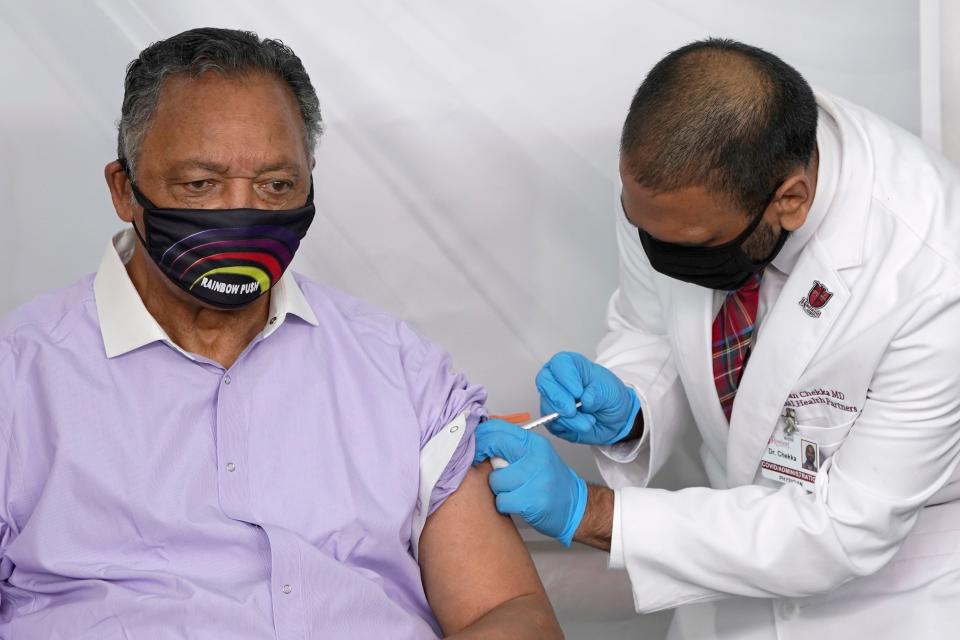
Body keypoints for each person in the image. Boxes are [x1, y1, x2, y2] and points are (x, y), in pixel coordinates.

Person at [0, 28, 561, 639]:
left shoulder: (400, 370)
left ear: (310, 182)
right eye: (200, 185)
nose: (243, 215)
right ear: (123, 188)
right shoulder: (18, 378)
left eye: (276, 186)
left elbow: (509, 612)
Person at [474, 38, 960, 638]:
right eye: (641, 227)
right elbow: (652, 325)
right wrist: (631, 409)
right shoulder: (671, 187)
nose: (661, 254)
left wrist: (594, 511)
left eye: (694, 246)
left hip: (890, 597)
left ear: (790, 200)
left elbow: (843, 530)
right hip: (727, 584)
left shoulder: (933, 269)